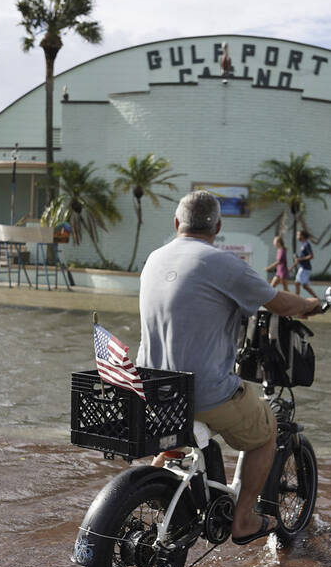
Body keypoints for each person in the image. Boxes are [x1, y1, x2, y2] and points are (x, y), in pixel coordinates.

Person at [138, 191, 321, 545]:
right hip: (203, 390)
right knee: (265, 432)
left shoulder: (154, 258)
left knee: (178, 432)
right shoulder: (222, 263)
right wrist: (311, 305)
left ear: (177, 224)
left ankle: (154, 483)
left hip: (152, 386)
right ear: (217, 227)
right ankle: (244, 519)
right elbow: (279, 302)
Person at [293, 229, 317, 298]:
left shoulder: (306, 244)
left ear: (302, 236)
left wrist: (300, 259)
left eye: (298, 235)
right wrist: (298, 258)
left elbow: (311, 256)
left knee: (297, 283)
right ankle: (316, 298)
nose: (297, 236)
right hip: (303, 268)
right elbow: (303, 257)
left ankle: (296, 299)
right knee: (304, 286)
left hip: (305, 268)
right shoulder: (303, 245)